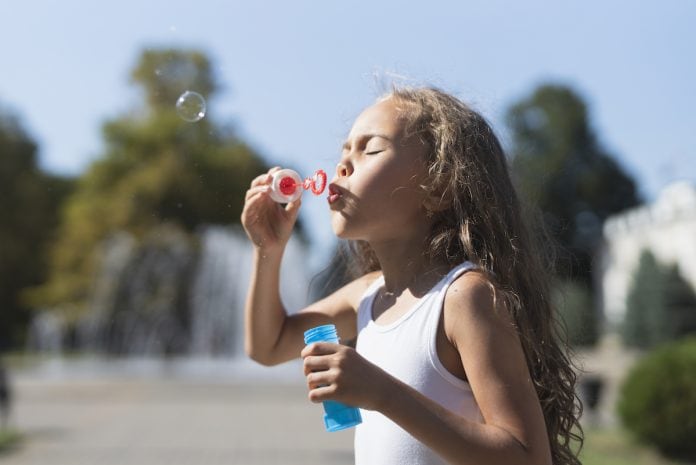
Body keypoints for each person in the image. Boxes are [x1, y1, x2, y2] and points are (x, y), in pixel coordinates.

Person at [241, 86, 582, 465]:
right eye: (343, 153)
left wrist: (382, 393)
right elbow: (267, 346)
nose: (343, 165)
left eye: (370, 149)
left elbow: (527, 458)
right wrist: (267, 251)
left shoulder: (463, 297)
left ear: (438, 187)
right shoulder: (367, 295)